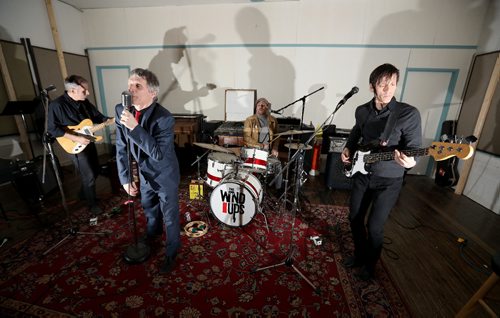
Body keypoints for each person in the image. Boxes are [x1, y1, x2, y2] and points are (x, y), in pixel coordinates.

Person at [340, 63, 422, 280]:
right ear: (372, 86)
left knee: (374, 227)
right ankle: (359, 255)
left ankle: (370, 265)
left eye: (392, 84)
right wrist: (348, 148)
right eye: (383, 84)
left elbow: (414, 148)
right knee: (354, 219)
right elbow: (356, 133)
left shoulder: (408, 114)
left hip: (389, 179)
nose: (388, 89)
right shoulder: (362, 111)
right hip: (361, 174)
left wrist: (409, 162)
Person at [115, 68, 180, 274]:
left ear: (152, 92)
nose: (130, 91)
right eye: (129, 86)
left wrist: (135, 128)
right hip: (143, 173)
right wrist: (125, 177)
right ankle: (152, 234)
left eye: (137, 86)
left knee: (169, 216)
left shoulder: (164, 118)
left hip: (164, 174)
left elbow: (158, 154)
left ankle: (171, 253)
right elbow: (120, 146)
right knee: (149, 207)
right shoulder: (120, 110)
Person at [47, 75, 111, 215]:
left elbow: (99, 118)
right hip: (72, 143)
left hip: (88, 139)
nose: (87, 93)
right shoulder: (56, 105)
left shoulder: (85, 102)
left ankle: (83, 193)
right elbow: (52, 129)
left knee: (95, 170)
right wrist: (76, 138)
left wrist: (112, 120)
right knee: (88, 175)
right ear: (73, 90)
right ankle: (92, 205)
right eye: (84, 91)